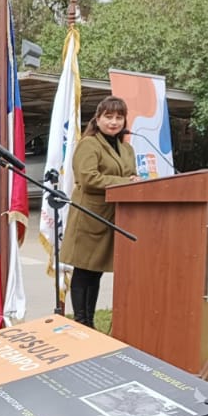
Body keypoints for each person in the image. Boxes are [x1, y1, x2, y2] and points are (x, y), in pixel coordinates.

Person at [59, 96, 141, 328]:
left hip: (114, 218)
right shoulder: (89, 144)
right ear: (98, 118)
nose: (114, 122)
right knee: (84, 271)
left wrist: (135, 181)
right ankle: (81, 322)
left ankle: (89, 322)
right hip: (89, 217)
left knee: (96, 273)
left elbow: (131, 176)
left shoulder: (127, 148)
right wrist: (126, 181)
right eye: (108, 116)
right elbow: (88, 178)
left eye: (119, 117)